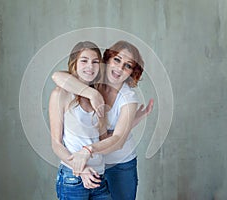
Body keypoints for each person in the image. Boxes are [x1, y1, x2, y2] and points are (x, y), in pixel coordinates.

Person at [52, 40, 154, 200]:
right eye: (117, 60)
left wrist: (88, 151)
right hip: (90, 166)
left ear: (132, 72)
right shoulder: (92, 85)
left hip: (119, 163)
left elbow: (116, 140)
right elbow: (57, 76)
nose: (120, 68)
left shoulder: (128, 98)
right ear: (107, 60)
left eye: (128, 65)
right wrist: (93, 94)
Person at [49, 41, 112, 200]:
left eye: (95, 62)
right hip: (73, 178)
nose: (90, 66)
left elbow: (103, 140)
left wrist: (127, 126)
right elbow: (56, 144)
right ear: (74, 64)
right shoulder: (60, 94)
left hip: (99, 176)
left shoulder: (100, 95)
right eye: (84, 61)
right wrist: (80, 169)